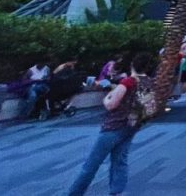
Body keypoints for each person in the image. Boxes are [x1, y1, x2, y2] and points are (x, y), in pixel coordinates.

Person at [66, 52, 154, 196]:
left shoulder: (128, 82)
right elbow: (150, 108)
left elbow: (111, 104)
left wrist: (106, 98)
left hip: (113, 126)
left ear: (132, 65)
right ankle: (116, 191)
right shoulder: (148, 82)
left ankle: (74, 193)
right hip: (131, 126)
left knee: (91, 164)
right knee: (120, 160)